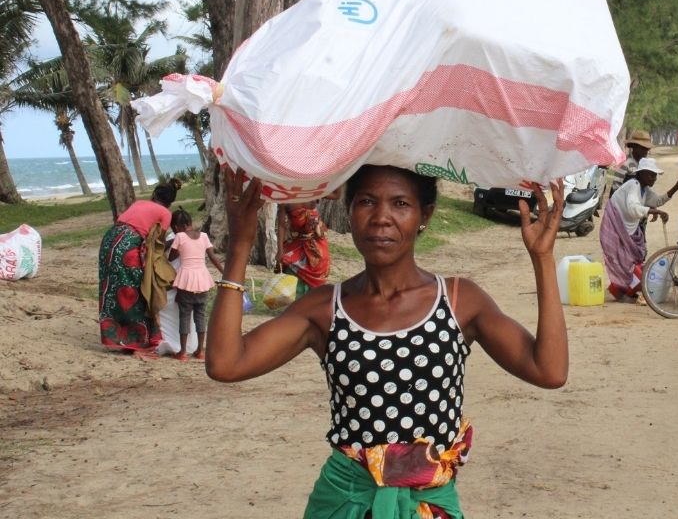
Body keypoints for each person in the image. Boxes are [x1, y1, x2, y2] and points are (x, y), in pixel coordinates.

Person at [207, 165, 569, 517]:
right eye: (366, 202)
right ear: (349, 212)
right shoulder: (325, 308)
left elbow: (548, 371)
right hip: (344, 503)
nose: (382, 217)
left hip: (427, 505)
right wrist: (240, 246)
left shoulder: (460, 300)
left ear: (424, 214)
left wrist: (543, 259)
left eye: (400, 204)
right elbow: (226, 364)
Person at [98, 181, 179, 360]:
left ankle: (117, 337)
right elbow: (157, 243)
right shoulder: (166, 213)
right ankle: (136, 343)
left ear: (153, 196)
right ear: (170, 203)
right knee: (135, 290)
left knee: (112, 289)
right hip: (128, 245)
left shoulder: (138, 203)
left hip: (109, 240)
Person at [600, 157, 678, 301]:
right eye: (651, 174)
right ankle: (625, 291)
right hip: (616, 229)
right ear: (641, 174)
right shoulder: (633, 185)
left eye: (655, 175)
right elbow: (633, 209)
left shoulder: (644, 190)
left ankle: (621, 291)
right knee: (625, 263)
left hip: (629, 231)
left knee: (633, 261)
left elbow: (658, 201)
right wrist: (655, 212)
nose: (654, 178)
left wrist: (677, 186)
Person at [167, 208, 224, 362]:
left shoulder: (179, 236)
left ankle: (183, 352)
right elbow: (213, 257)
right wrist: (224, 272)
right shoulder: (204, 236)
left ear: (177, 227)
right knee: (200, 316)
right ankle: (200, 351)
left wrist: (177, 247)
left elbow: (171, 257)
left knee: (184, 316)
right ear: (190, 223)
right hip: (203, 279)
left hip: (185, 280)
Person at [277, 200, 331, 298]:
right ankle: (297, 305)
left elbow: (336, 194)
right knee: (291, 269)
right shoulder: (285, 199)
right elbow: (281, 225)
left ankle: (312, 305)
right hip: (297, 244)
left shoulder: (315, 190)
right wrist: (279, 250)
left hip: (317, 246)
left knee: (318, 276)